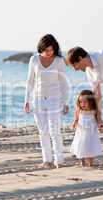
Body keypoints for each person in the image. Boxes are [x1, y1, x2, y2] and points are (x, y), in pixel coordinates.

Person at [24, 34, 69, 169]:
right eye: (47, 50)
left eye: (52, 50)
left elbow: (63, 83)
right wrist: (26, 100)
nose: (49, 53)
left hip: (54, 100)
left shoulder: (59, 61)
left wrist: (65, 102)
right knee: (42, 131)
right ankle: (47, 160)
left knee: (55, 131)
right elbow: (30, 81)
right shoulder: (34, 60)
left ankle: (59, 161)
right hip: (37, 100)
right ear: (41, 48)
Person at [70, 90, 102, 167]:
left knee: (90, 148)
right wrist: (74, 123)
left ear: (91, 102)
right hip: (81, 132)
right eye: (80, 102)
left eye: (85, 102)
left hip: (91, 133)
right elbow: (76, 118)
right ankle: (82, 161)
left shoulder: (94, 111)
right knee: (80, 146)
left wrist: (101, 126)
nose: (82, 104)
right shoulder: (79, 110)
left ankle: (90, 163)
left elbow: (99, 120)